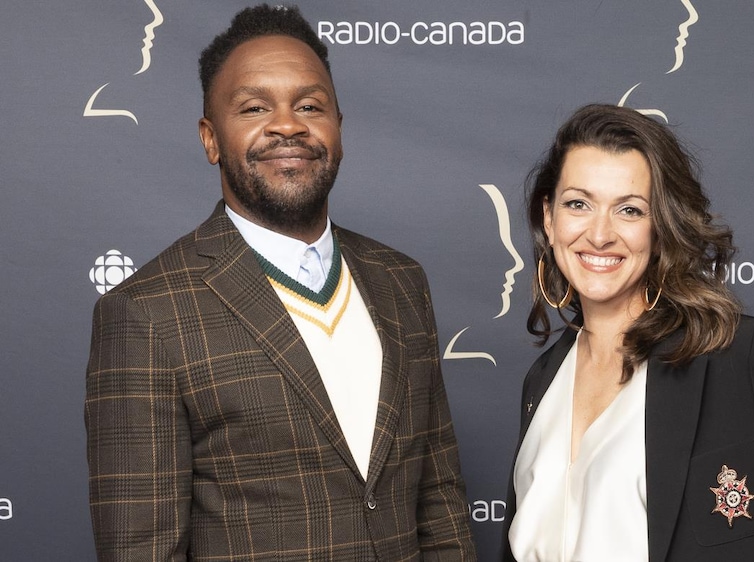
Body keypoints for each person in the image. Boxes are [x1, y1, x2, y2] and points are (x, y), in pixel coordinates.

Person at [84, 5, 476, 560]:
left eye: (310, 105)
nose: (288, 124)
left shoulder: (400, 280)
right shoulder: (146, 312)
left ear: (338, 129)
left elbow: (439, 504)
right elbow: (141, 550)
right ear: (210, 139)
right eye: (254, 107)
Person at [501, 104, 754, 561]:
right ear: (549, 218)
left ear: (661, 226)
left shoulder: (735, 356)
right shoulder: (542, 379)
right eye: (578, 204)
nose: (599, 234)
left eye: (630, 210)